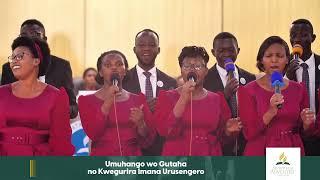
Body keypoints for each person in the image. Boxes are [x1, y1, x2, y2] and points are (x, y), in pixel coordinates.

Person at [238, 36, 318, 156]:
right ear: (261, 60)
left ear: (287, 60)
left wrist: (307, 124)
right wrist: (270, 112)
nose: (274, 60)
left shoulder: (298, 89)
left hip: (291, 150)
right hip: (260, 151)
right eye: (269, 56)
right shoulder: (247, 90)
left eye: (279, 56)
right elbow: (248, 133)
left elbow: (305, 132)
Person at [155, 46, 242, 156]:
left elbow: (223, 139)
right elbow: (164, 130)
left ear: (206, 71)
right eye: (187, 66)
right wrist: (183, 98)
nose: (192, 70)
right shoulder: (166, 97)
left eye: (197, 66)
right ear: (181, 70)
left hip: (208, 163)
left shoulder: (217, 99)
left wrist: (228, 131)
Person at [0, 36, 74, 156]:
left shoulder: (56, 97)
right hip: (3, 160)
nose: (14, 61)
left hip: (37, 163)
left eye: (20, 56)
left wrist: (59, 170)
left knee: (31, 173)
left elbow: (61, 141)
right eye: (12, 57)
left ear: (36, 61)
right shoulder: (1, 94)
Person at [78, 50, 155, 156]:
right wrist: (108, 101)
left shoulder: (138, 100)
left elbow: (148, 142)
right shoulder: (86, 101)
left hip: (131, 163)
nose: (114, 68)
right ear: (100, 72)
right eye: (108, 65)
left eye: (119, 64)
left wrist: (141, 124)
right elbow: (93, 133)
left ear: (125, 71)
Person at [1, 19, 78, 119]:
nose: (29, 39)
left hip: (50, 127)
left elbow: (73, 108)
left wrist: (56, 109)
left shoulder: (62, 66)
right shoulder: (9, 67)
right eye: (24, 35)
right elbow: (3, 104)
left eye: (35, 34)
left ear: (45, 39)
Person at [122, 29, 177, 155]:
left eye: (152, 45)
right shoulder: (123, 81)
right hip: (131, 149)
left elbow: (173, 119)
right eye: (141, 45)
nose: (146, 49)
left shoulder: (170, 83)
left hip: (161, 149)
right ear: (134, 49)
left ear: (158, 49)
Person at [204, 32, 256, 156]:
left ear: (238, 50)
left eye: (231, 50)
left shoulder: (249, 78)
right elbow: (204, 112)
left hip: (245, 144)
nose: (226, 54)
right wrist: (224, 95)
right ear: (213, 52)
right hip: (217, 144)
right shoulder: (205, 79)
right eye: (221, 50)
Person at [285, 19, 320, 155]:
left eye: (304, 35)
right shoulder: (283, 65)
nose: (297, 39)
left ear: (313, 38)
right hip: (292, 135)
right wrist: (287, 76)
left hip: (317, 134)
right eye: (293, 35)